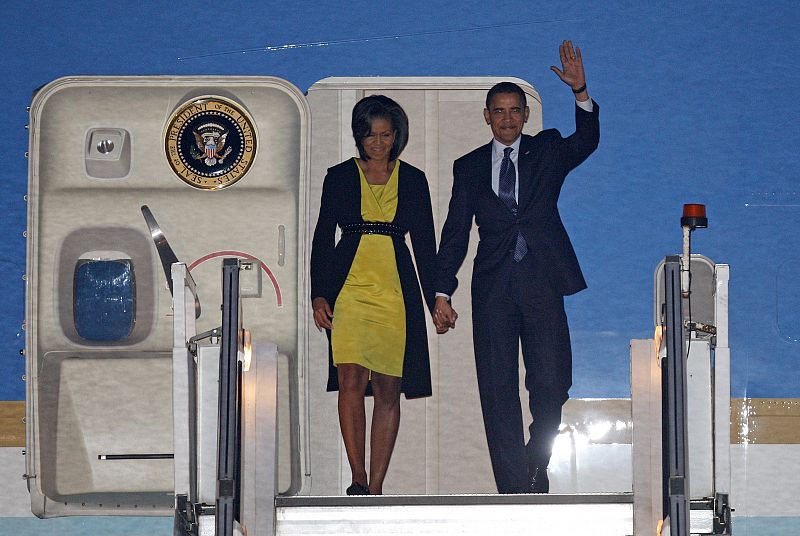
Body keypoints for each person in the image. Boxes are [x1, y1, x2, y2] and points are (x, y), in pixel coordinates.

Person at [433, 41, 600, 494]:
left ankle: (537, 456)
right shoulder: (467, 167)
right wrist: (441, 291)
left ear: (526, 115)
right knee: (497, 390)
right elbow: (454, 232)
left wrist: (580, 91)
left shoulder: (545, 151)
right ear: (486, 116)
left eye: (515, 111)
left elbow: (586, 140)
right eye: (498, 111)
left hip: (543, 280)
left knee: (552, 382)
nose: (507, 119)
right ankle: (514, 487)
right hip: (492, 289)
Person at [310, 95, 440, 496]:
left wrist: (438, 297)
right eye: (370, 136)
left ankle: (378, 486)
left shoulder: (414, 179)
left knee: (387, 388)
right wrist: (318, 294)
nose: (378, 143)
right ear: (359, 137)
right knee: (350, 378)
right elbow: (320, 238)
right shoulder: (339, 176)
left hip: (395, 292)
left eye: (385, 135)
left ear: (397, 136)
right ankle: (358, 478)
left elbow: (425, 245)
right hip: (348, 289)